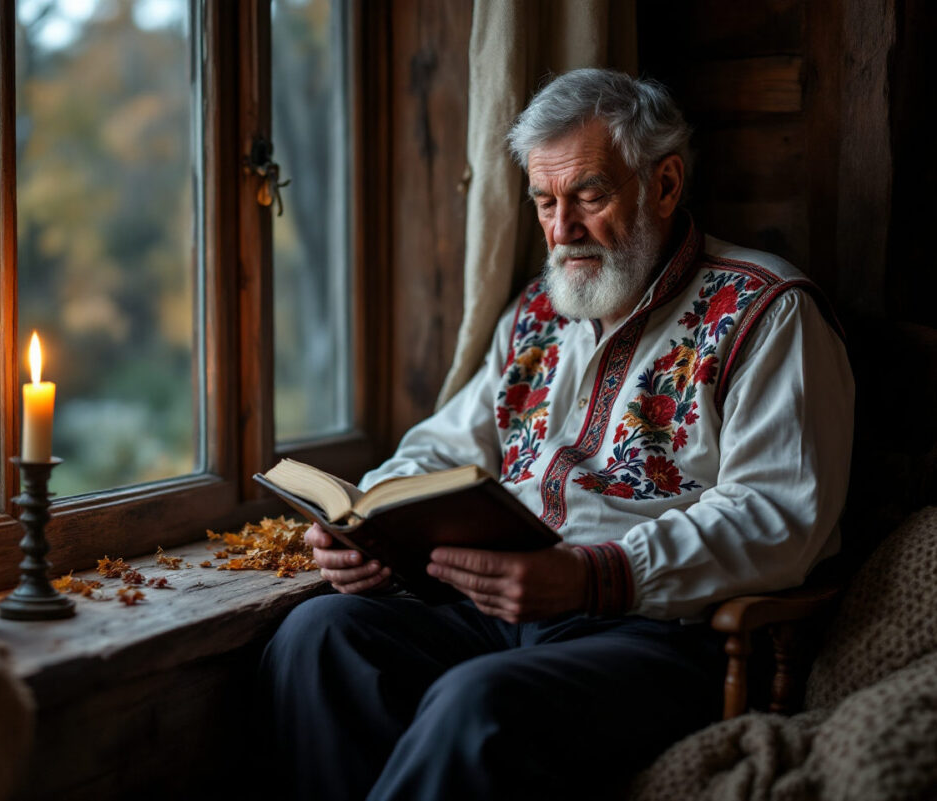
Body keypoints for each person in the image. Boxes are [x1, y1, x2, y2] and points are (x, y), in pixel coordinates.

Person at [259, 68, 853, 800]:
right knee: (315, 639)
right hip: (495, 611)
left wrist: (592, 575)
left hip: (652, 633)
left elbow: (776, 518)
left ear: (665, 185)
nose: (562, 229)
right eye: (545, 202)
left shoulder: (769, 312)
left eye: (589, 196)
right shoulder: (539, 313)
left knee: (477, 705)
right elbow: (444, 446)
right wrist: (371, 521)